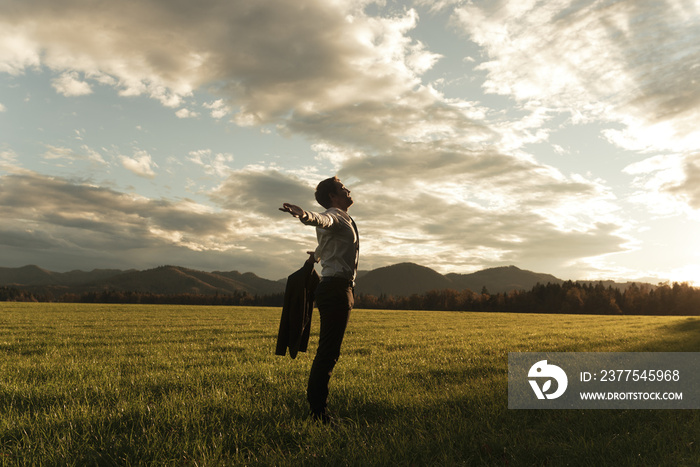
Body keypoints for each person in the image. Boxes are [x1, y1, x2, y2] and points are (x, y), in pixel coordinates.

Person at [279, 176, 359, 423]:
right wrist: (304, 215)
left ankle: (318, 411)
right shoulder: (335, 215)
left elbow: (330, 240)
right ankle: (318, 414)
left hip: (337, 288)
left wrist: (316, 255)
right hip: (335, 289)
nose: (347, 189)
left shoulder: (342, 220)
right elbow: (323, 219)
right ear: (333, 197)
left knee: (329, 351)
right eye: (342, 188)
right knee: (328, 353)